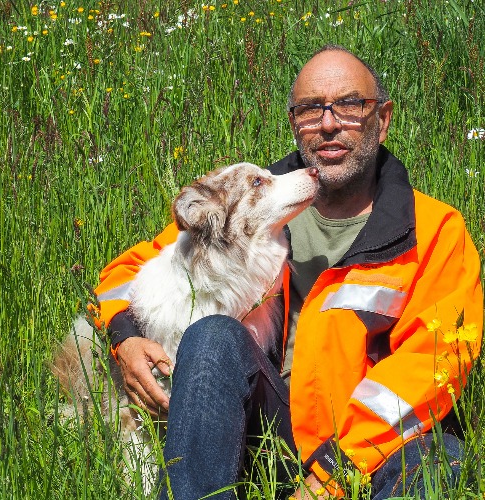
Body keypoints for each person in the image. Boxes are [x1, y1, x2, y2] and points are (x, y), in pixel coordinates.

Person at [90, 45, 483, 499]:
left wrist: (334, 471)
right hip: (267, 425)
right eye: (312, 109)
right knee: (212, 337)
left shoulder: (432, 229)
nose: (330, 123)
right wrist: (125, 336)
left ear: (384, 118)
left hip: (366, 447)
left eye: (351, 104)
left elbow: (433, 365)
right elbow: (135, 268)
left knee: (439, 459)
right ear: (295, 123)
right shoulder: (252, 204)